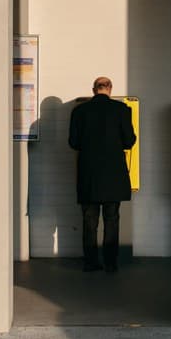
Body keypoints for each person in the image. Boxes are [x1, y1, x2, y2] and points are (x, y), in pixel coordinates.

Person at [68, 77, 136, 273]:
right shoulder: (122, 110)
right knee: (112, 218)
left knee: (89, 219)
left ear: (93, 89)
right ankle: (111, 262)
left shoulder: (79, 111)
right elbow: (129, 141)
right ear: (110, 89)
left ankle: (90, 262)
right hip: (113, 174)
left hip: (89, 173)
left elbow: (73, 142)